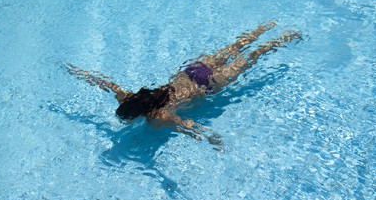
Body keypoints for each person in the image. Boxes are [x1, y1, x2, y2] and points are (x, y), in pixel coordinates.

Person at [66, 21, 301, 150]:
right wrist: (83, 74)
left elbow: (186, 125)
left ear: (138, 114)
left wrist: (209, 138)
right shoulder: (130, 97)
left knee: (251, 59)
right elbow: (108, 84)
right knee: (234, 48)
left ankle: (281, 40)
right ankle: (266, 26)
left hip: (209, 85)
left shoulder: (158, 116)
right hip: (194, 71)